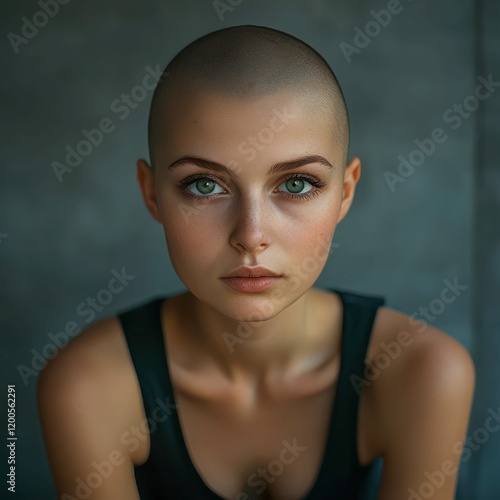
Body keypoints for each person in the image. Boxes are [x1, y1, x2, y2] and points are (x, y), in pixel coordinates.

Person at [37, 25, 475, 500]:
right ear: (151, 193)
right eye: (204, 185)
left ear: (345, 193)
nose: (251, 237)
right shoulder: (87, 387)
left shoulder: (423, 372)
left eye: (296, 184)